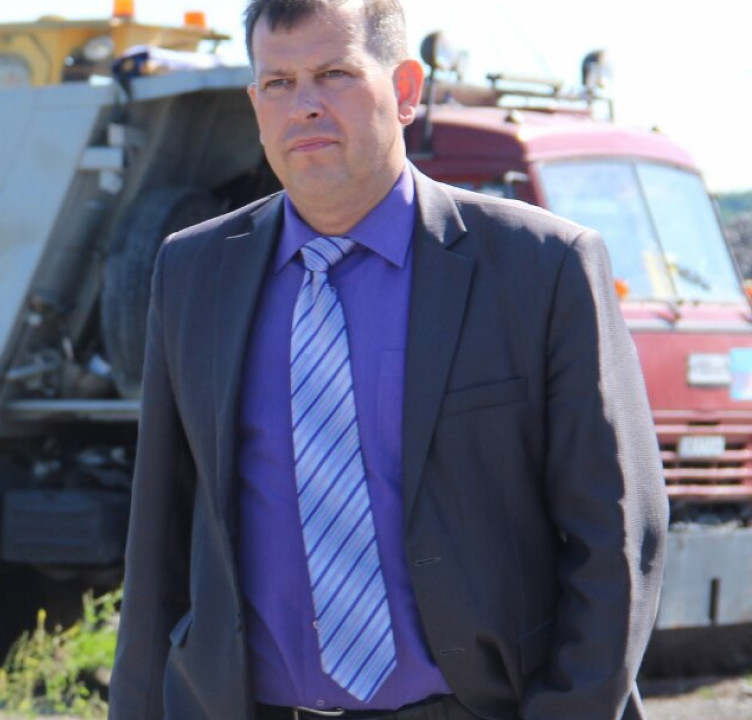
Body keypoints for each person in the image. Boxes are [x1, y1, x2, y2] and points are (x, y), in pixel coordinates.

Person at [108, 0, 669, 718]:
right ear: (255, 104)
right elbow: (159, 539)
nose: (303, 106)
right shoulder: (193, 272)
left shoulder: (541, 268)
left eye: (334, 74)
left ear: (406, 90)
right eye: (278, 83)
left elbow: (617, 538)